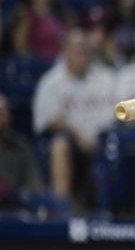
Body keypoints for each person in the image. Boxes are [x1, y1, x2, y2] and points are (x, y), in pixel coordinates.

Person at [32, 28, 115, 208]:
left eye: (86, 50)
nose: (82, 54)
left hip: (103, 143)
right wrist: (79, 137)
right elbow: (49, 120)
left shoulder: (104, 78)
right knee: (59, 144)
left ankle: (117, 213)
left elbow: (118, 112)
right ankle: (61, 207)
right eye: (77, 50)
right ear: (65, 52)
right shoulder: (51, 82)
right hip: (72, 144)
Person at [0, 94, 42, 212]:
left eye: (4, 111)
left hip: (14, 208)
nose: (2, 116)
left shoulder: (20, 145)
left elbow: (33, 181)